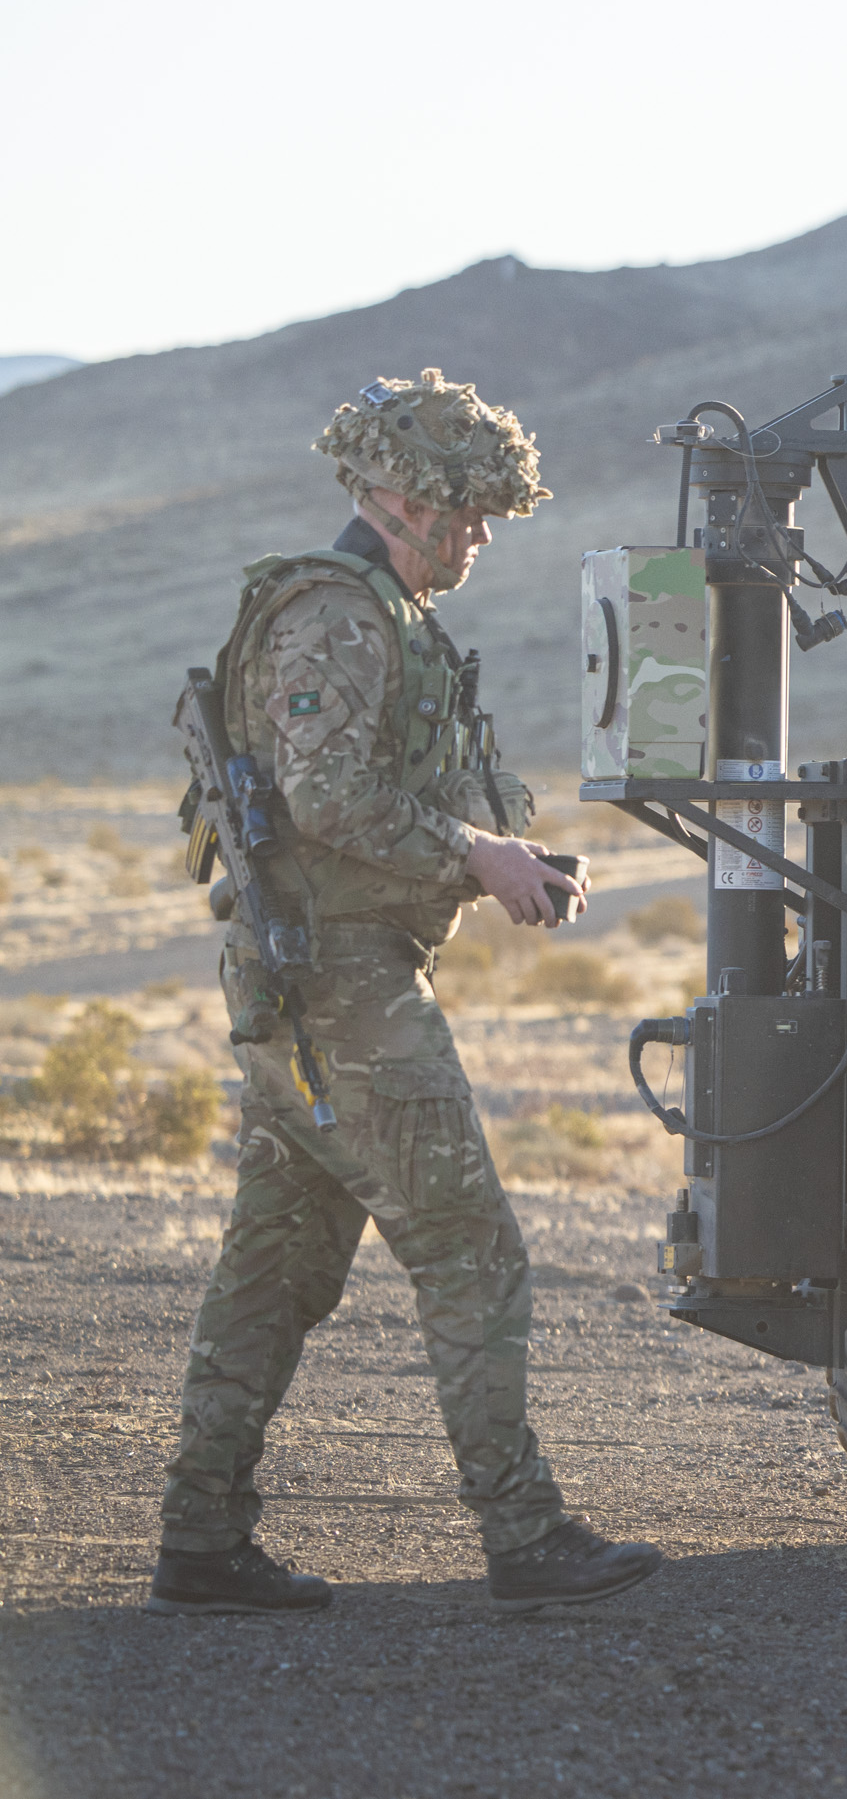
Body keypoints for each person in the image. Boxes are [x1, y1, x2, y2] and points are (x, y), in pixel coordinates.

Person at [149, 369, 663, 1615]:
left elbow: (354, 804)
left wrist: (499, 855)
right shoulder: (335, 614)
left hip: (315, 987)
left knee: (274, 1271)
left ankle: (202, 1541)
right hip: (341, 991)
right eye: (463, 513)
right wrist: (469, 856)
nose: (478, 537)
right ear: (393, 497)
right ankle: (525, 1536)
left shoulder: (382, 613)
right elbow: (326, 802)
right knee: (470, 1246)